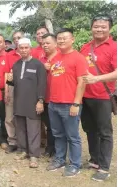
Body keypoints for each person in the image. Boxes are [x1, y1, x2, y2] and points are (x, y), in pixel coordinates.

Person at [46, 28, 88, 177]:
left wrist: (76, 103)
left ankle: (75, 164)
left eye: (65, 38)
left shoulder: (78, 58)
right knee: (58, 134)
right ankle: (60, 159)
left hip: (69, 104)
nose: (62, 40)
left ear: (72, 40)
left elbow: (82, 82)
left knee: (72, 136)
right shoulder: (56, 58)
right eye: (59, 38)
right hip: (54, 103)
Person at [80, 14, 117, 181]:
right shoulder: (85, 47)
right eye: (96, 26)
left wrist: (97, 79)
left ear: (109, 28)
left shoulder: (114, 47)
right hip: (86, 96)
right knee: (89, 129)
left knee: (105, 132)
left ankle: (104, 167)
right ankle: (94, 159)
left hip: (103, 97)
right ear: (91, 27)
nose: (99, 29)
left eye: (103, 26)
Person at [6, 38, 46, 168]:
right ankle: (23, 150)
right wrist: (10, 81)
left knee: (33, 129)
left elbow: (42, 84)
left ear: (30, 49)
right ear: (18, 49)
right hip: (19, 102)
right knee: (21, 128)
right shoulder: (16, 65)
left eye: (26, 48)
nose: (23, 50)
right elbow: (16, 83)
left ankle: (34, 155)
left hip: (33, 102)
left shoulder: (38, 65)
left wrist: (40, 101)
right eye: (21, 48)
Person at [4, 31, 24, 154]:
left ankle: (24, 142)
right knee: (9, 116)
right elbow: (6, 73)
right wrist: (6, 91)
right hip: (12, 88)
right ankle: (12, 141)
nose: (17, 40)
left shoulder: (31, 53)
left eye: (19, 38)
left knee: (23, 116)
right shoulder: (9, 55)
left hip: (26, 89)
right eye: (15, 38)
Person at [40, 33, 59, 157]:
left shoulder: (61, 58)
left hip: (58, 98)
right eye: (43, 43)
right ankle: (50, 147)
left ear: (55, 44)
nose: (45, 45)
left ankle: (57, 149)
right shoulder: (41, 60)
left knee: (57, 126)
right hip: (44, 97)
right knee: (49, 125)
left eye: (48, 43)